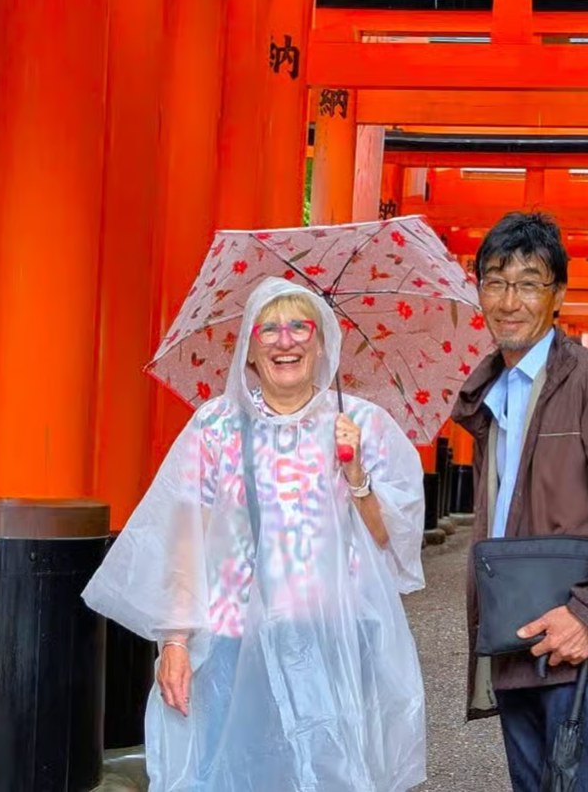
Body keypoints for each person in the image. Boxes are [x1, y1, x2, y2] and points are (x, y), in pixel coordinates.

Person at [83, 278, 427, 792]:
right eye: (268, 329)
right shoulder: (216, 426)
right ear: (248, 348)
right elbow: (185, 536)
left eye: (300, 327)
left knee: (329, 771)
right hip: (232, 635)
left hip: (332, 632)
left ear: (322, 343)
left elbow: (390, 538)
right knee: (230, 769)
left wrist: (356, 473)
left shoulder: (361, 423)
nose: (285, 341)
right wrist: (174, 640)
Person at [452, 212, 588, 791]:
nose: (509, 301)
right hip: (517, 634)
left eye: (529, 283)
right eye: (495, 282)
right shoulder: (492, 394)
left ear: (558, 295)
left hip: (581, 645)